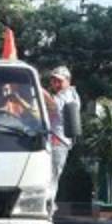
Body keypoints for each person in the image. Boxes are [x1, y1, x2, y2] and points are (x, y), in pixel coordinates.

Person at [45, 66, 81, 203]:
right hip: (50, 141)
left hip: (57, 142)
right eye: (54, 81)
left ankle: (47, 205)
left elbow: (53, 106)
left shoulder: (67, 96)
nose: (56, 84)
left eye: (59, 81)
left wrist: (38, 89)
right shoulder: (62, 95)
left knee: (50, 177)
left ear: (68, 81)